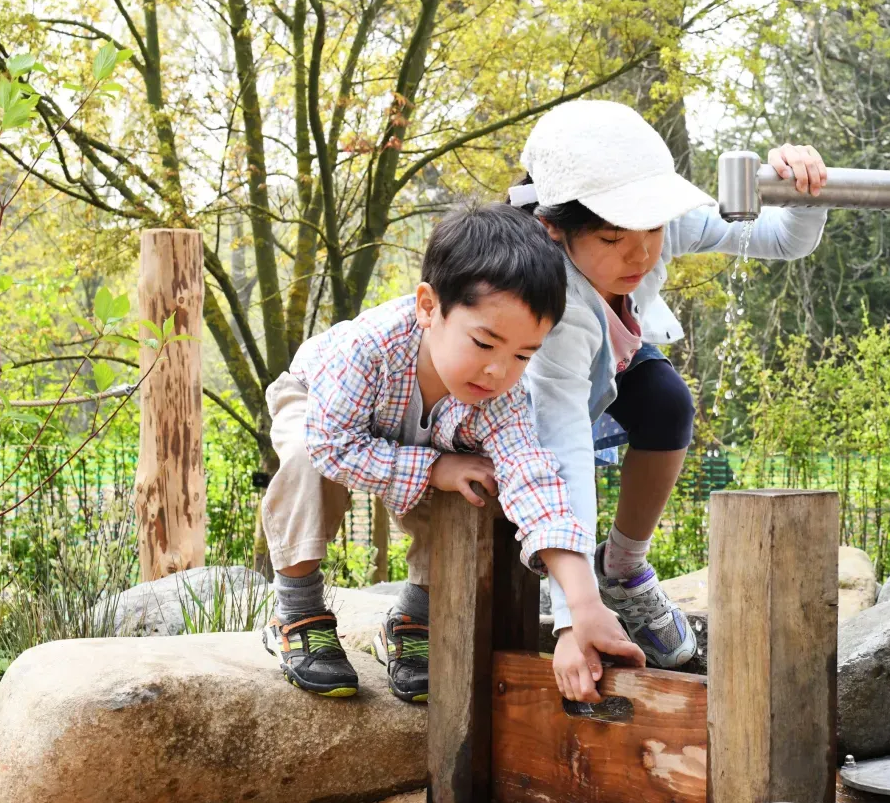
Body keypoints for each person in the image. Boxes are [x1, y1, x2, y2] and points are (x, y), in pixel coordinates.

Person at [259, 203, 644, 704]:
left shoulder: (501, 396)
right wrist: (435, 467)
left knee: (480, 480)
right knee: (306, 460)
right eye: (485, 343)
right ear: (427, 307)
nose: (498, 371)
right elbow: (334, 446)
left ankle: (414, 616)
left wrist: (584, 604)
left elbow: (534, 483)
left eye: (524, 355)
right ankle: (297, 609)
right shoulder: (366, 349)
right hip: (319, 407)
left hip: (420, 433)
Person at [510, 99, 829, 669]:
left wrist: (797, 188)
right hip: (512, 404)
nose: (642, 252)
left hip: (611, 361)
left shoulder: (648, 224)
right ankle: (468, 599)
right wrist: (572, 617)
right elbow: (565, 451)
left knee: (665, 401)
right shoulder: (550, 301)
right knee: (513, 486)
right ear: (553, 229)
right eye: (612, 240)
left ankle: (624, 568)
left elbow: (782, 239)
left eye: (653, 228)